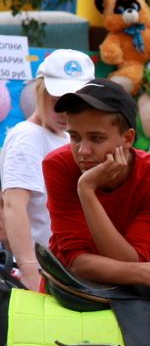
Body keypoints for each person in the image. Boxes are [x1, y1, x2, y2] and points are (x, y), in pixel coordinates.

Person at [44, 78, 150, 302]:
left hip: (130, 299)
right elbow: (77, 263)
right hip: (68, 295)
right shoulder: (58, 165)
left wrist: (87, 191)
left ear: (128, 138)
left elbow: (129, 260)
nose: (82, 150)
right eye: (74, 137)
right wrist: (86, 188)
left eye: (96, 138)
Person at [1, 49, 94, 290]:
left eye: (74, 104)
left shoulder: (65, 136)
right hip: (41, 275)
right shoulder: (28, 136)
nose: (65, 113)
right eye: (57, 102)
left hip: (63, 271)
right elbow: (13, 206)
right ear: (39, 91)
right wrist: (29, 270)